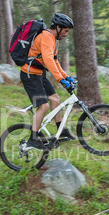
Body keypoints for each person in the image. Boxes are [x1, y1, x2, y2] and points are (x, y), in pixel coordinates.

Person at [20, 13, 76, 151]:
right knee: (43, 106)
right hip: (30, 75)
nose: (66, 34)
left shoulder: (54, 40)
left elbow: (55, 60)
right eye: (66, 31)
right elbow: (48, 59)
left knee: (55, 99)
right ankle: (32, 139)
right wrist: (60, 79)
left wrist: (65, 76)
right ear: (58, 27)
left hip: (39, 74)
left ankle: (60, 131)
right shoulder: (46, 36)